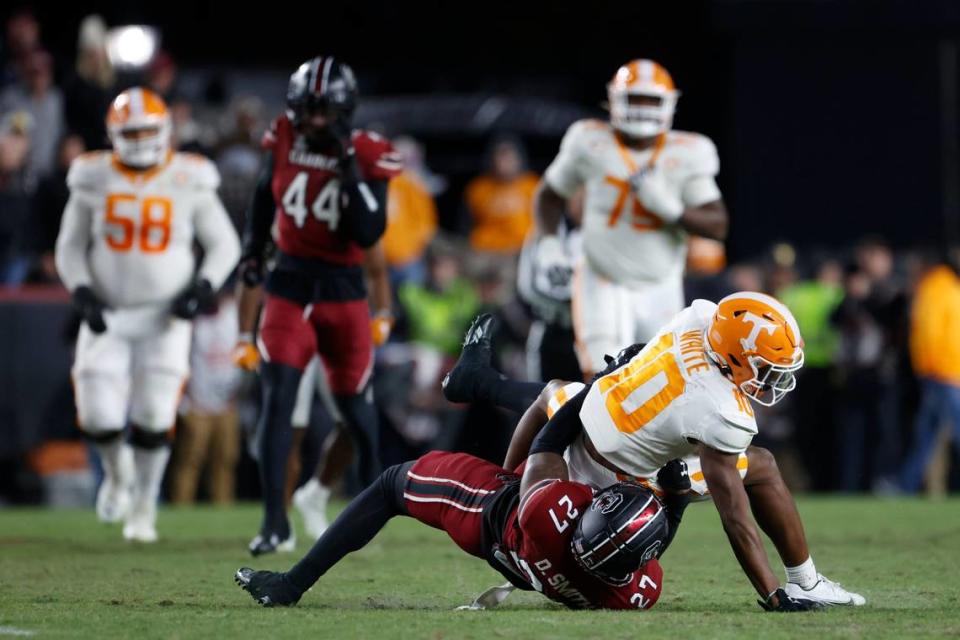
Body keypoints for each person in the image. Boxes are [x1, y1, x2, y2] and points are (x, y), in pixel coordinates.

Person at [443, 293, 866, 609]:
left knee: (555, 393)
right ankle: (804, 581)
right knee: (763, 466)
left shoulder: (699, 318)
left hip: (594, 419)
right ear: (737, 356)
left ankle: (487, 420)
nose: (772, 381)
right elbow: (735, 515)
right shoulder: (722, 409)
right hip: (622, 480)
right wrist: (770, 592)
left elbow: (650, 351)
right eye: (767, 370)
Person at [54, 87, 241, 542]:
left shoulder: (189, 176)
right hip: (109, 311)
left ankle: (142, 510)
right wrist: (80, 291)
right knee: (98, 416)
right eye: (130, 130)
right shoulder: (92, 175)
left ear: (165, 131)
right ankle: (119, 475)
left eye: (146, 130)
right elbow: (70, 245)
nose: (139, 139)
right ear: (114, 133)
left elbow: (224, 244)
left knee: (156, 415)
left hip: (165, 316)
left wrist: (203, 287)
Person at [233, 56, 402, 556]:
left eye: (324, 112)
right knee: (278, 402)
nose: (314, 122)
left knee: (359, 416)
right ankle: (273, 524)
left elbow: (369, 231)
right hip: (288, 286)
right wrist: (250, 253)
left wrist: (347, 163)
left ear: (345, 110)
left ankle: (369, 521)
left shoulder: (369, 152)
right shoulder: (283, 134)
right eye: (308, 111)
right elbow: (265, 196)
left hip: (344, 293)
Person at [235, 447, 670, 610]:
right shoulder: (634, 593)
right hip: (527, 561)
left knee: (390, 485)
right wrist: (678, 496)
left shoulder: (551, 513)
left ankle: (292, 585)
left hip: (484, 512)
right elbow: (646, 548)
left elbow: (547, 440)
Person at [533, 59, 728, 380]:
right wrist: (550, 244)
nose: (641, 109)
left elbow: (717, 225)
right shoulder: (589, 140)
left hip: (660, 283)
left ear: (669, 104)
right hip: (601, 275)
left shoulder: (690, 151)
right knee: (601, 378)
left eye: (650, 100)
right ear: (613, 100)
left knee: (660, 380)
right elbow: (549, 195)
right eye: (634, 99)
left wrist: (670, 209)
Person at [465, 137, 539, 256]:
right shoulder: (479, 188)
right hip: (487, 250)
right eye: (501, 158)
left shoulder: (533, 186)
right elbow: (466, 225)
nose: (505, 164)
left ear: (519, 160)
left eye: (509, 158)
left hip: (522, 249)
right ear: (492, 161)